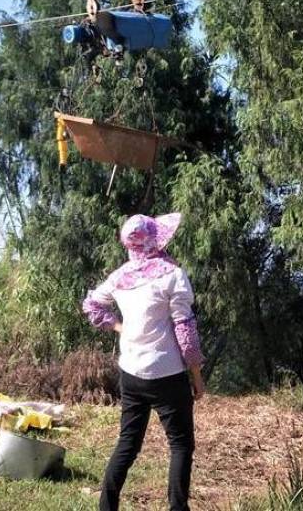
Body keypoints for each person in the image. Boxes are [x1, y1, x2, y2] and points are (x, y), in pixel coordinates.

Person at [83, 212, 204, 511]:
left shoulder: (120, 277)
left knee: (128, 443)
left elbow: (92, 304)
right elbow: (184, 329)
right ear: (156, 239)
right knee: (180, 445)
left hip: (132, 372)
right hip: (167, 374)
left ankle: (106, 507)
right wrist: (197, 375)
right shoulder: (173, 274)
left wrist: (119, 327)